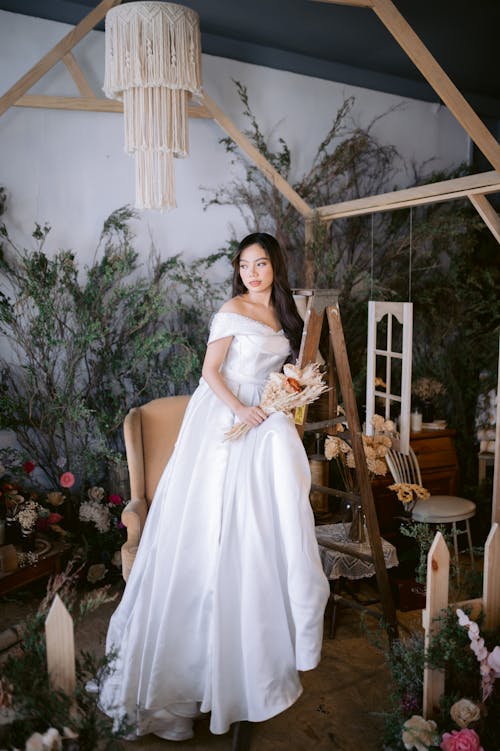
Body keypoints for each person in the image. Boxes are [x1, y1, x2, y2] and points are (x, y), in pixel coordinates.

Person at [97, 232, 330, 741]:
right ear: (239, 271)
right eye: (245, 265)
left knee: (254, 525)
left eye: (261, 263)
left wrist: (278, 402)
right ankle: (183, 681)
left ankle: (246, 665)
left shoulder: (286, 315)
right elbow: (209, 371)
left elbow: (286, 374)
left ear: (275, 267)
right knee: (209, 528)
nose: (253, 273)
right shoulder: (232, 309)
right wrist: (242, 410)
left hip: (263, 417)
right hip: (224, 419)